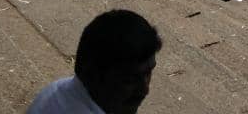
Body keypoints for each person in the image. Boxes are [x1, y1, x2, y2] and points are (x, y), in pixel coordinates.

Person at [27, 9, 162, 114]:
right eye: (130, 79)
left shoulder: (57, 90)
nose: (144, 90)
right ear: (92, 75)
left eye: (148, 73)